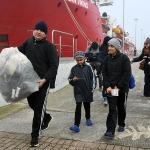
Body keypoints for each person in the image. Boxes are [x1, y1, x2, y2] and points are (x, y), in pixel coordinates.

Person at [18, 21, 59, 147]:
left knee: (39, 109)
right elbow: (17, 53)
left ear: (45, 33)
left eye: (41, 30)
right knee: (32, 103)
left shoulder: (49, 46)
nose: (38, 32)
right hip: (29, 81)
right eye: (36, 29)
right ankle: (46, 117)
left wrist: (45, 79)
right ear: (33, 30)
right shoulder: (28, 42)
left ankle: (35, 136)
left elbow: (54, 66)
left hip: (43, 82)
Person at [102, 38, 131, 138]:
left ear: (117, 48)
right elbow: (104, 74)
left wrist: (117, 86)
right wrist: (107, 86)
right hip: (111, 89)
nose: (109, 48)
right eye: (109, 46)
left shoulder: (124, 59)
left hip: (121, 88)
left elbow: (126, 75)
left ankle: (121, 123)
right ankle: (110, 130)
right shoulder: (106, 59)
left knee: (121, 107)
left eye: (112, 46)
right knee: (112, 109)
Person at [68, 51, 96, 132]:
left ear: (84, 59)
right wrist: (73, 80)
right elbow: (69, 79)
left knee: (87, 106)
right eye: (77, 60)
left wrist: (92, 89)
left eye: (81, 59)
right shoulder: (73, 69)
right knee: (78, 107)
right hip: (78, 91)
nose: (79, 61)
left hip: (87, 90)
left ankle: (88, 118)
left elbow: (93, 78)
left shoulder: (89, 67)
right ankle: (76, 125)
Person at [97, 36, 111, 106]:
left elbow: (98, 58)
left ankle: (107, 97)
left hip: (106, 70)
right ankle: (108, 98)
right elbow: (99, 58)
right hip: (107, 70)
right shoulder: (106, 48)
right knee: (108, 84)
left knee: (106, 84)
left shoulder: (102, 47)